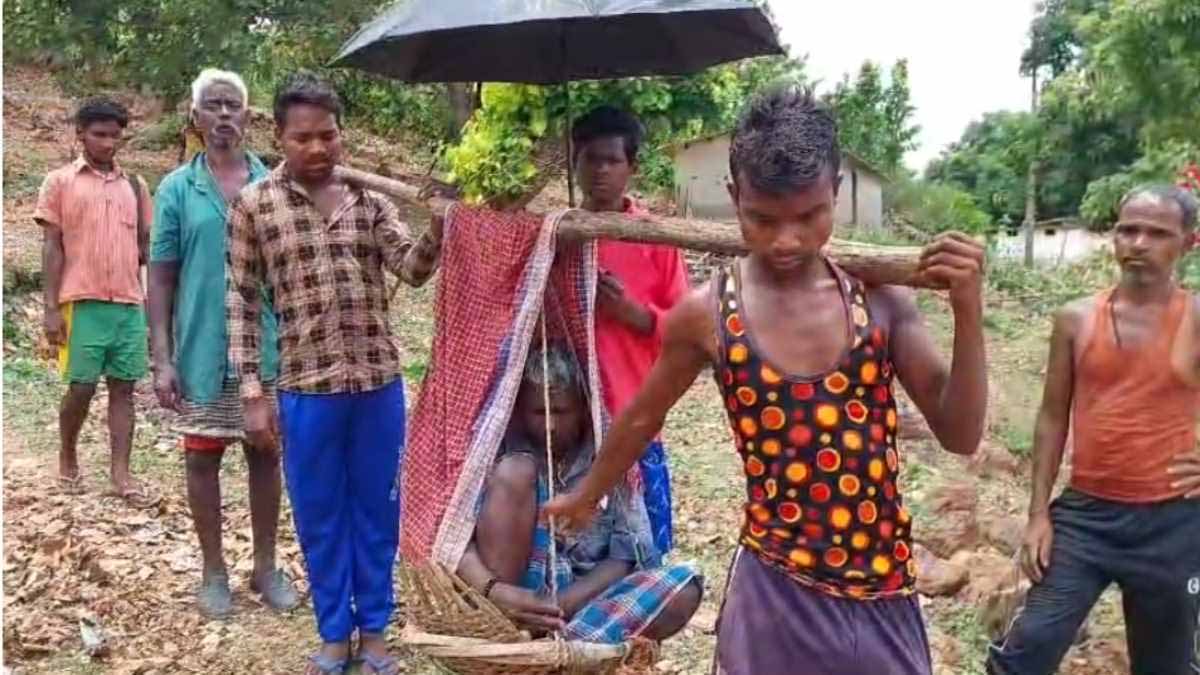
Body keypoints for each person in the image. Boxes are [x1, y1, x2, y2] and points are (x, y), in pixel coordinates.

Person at [544, 86, 989, 675]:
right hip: (774, 587)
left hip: (879, 587)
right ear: (735, 198)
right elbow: (645, 414)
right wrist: (587, 493)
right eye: (762, 219)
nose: (787, 240)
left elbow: (959, 433)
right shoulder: (708, 314)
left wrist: (967, 311)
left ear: (836, 192)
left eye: (809, 216)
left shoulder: (878, 301)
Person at [225, 71, 442, 675]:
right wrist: (252, 393)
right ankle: (332, 634)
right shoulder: (254, 206)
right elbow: (240, 301)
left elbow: (411, 269)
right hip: (306, 388)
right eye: (303, 138)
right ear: (279, 136)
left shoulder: (369, 200)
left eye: (328, 135)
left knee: (377, 511)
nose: (318, 148)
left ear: (341, 133)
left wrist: (438, 227)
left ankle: (374, 632)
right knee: (319, 514)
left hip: (376, 384)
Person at [987, 185, 1200, 675]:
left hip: (1173, 522)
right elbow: (1052, 416)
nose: (1138, 243)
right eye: (1128, 230)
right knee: (1027, 650)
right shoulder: (1076, 319)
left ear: (1188, 243)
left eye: (1157, 233)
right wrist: (1038, 515)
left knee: (1164, 666)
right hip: (1087, 519)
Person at [148, 69, 298, 619]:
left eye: (233, 105)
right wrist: (162, 359)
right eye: (213, 105)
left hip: (268, 347)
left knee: (266, 453)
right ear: (195, 117)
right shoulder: (175, 189)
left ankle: (265, 566)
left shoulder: (274, 184)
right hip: (202, 347)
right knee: (202, 457)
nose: (224, 115)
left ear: (248, 116)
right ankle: (213, 571)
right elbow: (161, 276)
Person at [455, 342, 701, 642]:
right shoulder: (497, 445)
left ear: (583, 408)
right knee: (515, 472)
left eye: (561, 411)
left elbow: (628, 552)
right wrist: (497, 593)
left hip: (583, 603)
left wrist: (558, 607)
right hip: (510, 596)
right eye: (538, 412)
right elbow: (455, 545)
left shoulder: (609, 453)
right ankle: (506, 629)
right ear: (520, 410)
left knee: (683, 590)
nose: (549, 425)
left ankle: (560, 638)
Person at [573, 105, 690, 559]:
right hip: (570, 416)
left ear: (632, 167)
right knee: (579, 547)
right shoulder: (560, 234)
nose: (601, 170)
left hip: (632, 411)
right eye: (591, 158)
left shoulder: (654, 239)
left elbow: (684, 330)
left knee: (644, 547)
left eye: (612, 160)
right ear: (575, 161)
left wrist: (632, 313)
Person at [36, 96, 155, 506]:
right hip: (81, 301)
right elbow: (52, 246)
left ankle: (121, 473)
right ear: (80, 134)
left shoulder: (135, 186)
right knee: (81, 387)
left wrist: (154, 307)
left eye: (114, 135)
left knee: (124, 389)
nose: (107, 143)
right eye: (99, 134)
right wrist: (51, 309)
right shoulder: (60, 182)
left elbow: (145, 248)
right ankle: (68, 453)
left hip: (128, 302)